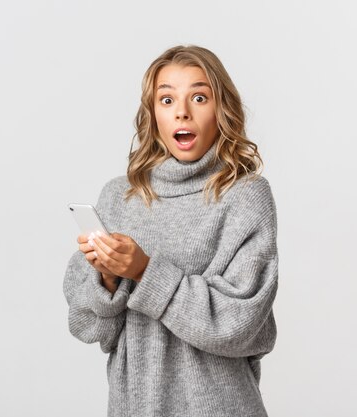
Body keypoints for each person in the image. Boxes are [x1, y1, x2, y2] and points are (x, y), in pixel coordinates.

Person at [63, 44, 279, 417]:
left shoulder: (246, 196)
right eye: (166, 100)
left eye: (199, 97)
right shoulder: (120, 196)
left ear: (221, 109)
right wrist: (108, 279)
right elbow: (89, 326)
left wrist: (145, 272)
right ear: (153, 115)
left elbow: (240, 324)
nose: (182, 111)